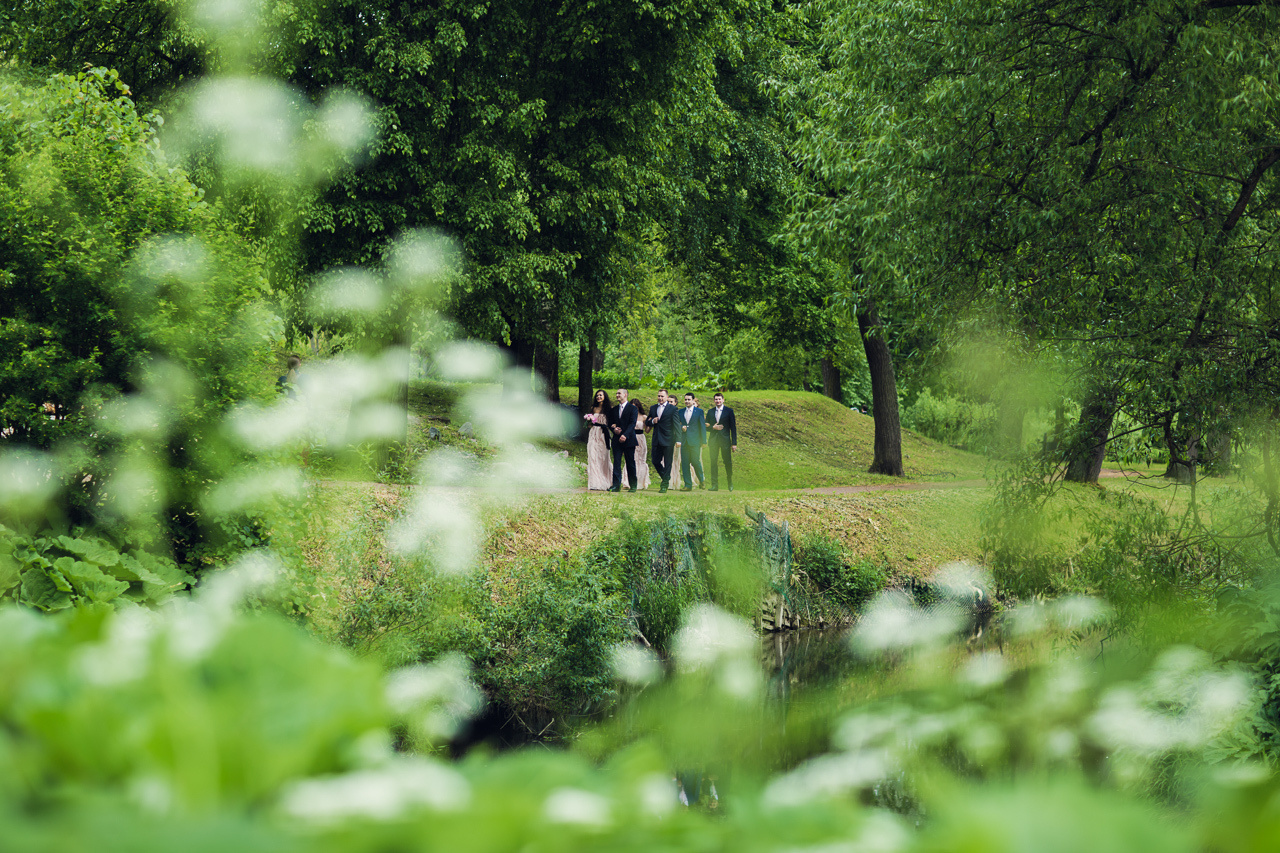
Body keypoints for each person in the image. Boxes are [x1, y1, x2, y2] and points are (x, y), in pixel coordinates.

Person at [646, 388, 678, 493]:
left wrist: (678, 439)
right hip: (656, 439)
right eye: (659, 396)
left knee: (668, 462)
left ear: (667, 397)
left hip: (668, 439)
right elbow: (647, 421)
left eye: (662, 396)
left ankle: (664, 485)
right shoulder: (653, 408)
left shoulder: (672, 409)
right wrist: (652, 422)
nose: (660, 398)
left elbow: (676, 425)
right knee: (655, 460)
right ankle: (666, 477)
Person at [607, 387, 638, 492]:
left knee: (630, 463)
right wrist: (614, 429)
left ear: (625, 395)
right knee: (616, 462)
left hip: (629, 439)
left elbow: (632, 423)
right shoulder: (614, 409)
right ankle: (616, 485)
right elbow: (610, 423)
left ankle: (633, 485)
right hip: (616, 440)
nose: (617, 395)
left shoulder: (633, 408)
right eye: (616, 393)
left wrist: (625, 435)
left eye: (619, 393)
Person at [706, 391, 737, 491]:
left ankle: (730, 483)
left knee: (727, 462)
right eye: (716, 399)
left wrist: (734, 443)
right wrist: (713, 428)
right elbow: (706, 427)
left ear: (723, 400)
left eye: (719, 399)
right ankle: (714, 485)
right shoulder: (710, 412)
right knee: (713, 462)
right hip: (713, 440)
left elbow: (733, 428)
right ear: (714, 400)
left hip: (725, 440)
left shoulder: (729, 411)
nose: (717, 401)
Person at [675, 391, 706, 491]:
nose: (687, 401)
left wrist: (704, 441)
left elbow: (702, 427)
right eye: (685, 400)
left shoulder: (699, 411)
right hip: (684, 440)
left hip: (695, 441)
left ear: (693, 400)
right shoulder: (680, 411)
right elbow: (676, 424)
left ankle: (701, 480)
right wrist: (681, 427)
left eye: (689, 400)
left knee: (695, 461)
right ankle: (688, 485)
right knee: (685, 463)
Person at [583, 389, 613, 491]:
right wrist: (589, 421)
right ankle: (594, 483)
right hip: (593, 433)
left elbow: (611, 423)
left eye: (600, 395)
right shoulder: (593, 408)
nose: (598, 397)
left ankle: (606, 481)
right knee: (593, 456)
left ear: (605, 396)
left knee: (603, 457)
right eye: (597, 396)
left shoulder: (609, 409)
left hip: (603, 434)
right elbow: (590, 425)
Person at [623, 396, 651, 490]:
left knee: (641, 459)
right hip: (631, 437)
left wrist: (651, 423)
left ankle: (641, 482)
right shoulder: (628, 416)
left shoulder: (643, 417)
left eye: (636, 406)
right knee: (631, 459)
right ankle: (628, 481)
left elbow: (647, 430)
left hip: (641, 438)